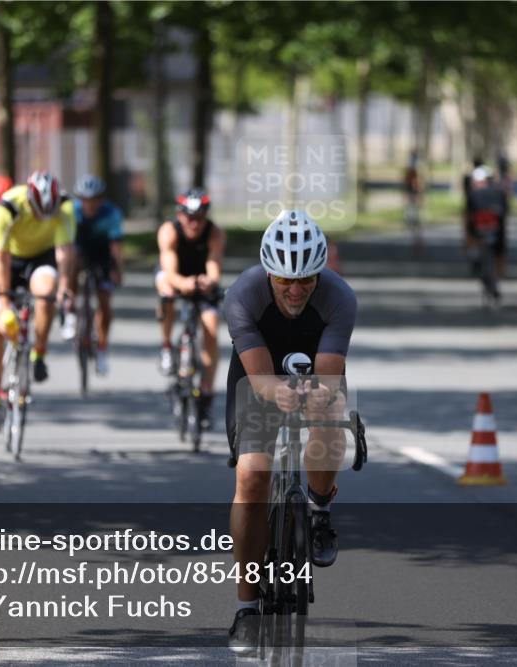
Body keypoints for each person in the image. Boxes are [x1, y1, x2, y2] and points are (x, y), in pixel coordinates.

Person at [224, 210, 357, 653]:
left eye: (306, 280)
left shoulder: (340, 298)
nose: (297, 290)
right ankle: (246, 609)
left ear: (320, 274)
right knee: (252, 477)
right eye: (285, 281)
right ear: (269, 273)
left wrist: (318, 397)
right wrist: (277, 393)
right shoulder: (243, 295)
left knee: (333, 409)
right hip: (256, 375)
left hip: (314, 368)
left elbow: (328, 374)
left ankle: (319, 512)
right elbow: (260, 381)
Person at [0, 170, 76, 432]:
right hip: (9, 259)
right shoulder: (8, 207)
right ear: (30, 200)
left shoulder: (65, 208)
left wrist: (65, 287)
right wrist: (2, 299)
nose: (43, 217)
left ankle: (39, 353)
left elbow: (65, 253)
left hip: (42, 258)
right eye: (38, 211)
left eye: (49, 212)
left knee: (46, 293)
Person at [155, 188, 225, 428]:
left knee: (212, 329)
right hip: (175, 277)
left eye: (200, 217)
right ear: (179, 214)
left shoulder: (214, 233)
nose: (194, 223)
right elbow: (170, 272)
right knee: (165, 293)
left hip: (201, 279)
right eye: (189, 217)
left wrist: (210, 283)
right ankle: (166, 346)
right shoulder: (168, 231)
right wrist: (185, 284)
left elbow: (214, 267)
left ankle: (206, 394)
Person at [68, 175, 124, 375]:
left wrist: (118, 270)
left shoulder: (111, 213)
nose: (89, 204)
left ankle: (101, 348)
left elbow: (116, 246)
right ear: (80, 199)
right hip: (79, 253)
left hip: (102, 256)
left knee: (105, 303)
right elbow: (64, 244)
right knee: (71, 265)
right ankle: (70, 311)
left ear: (101, 199)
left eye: (93, 199)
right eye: (85, 199)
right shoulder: (71, 211)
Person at [466, 166, 507, 299]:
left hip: (483, 231)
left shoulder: (473, 194)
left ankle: (487, 275)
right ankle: (496, 281)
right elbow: (505, 212)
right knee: (499, 255)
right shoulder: (499, 192)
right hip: (494, 230)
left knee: (490, 253)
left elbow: (468, 215)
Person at [402, 150, 423, 253]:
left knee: (414, 221)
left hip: (413, 198)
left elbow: (416, 186)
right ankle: (416, 241)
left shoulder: (414, 171)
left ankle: (417, 241)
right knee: (413, 221)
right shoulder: (412, 170)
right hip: (412, 197)